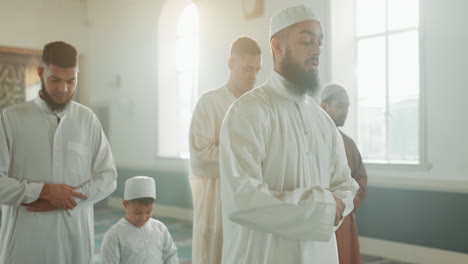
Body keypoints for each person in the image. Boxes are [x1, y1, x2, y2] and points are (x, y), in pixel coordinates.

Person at [218, 5, 359, 264]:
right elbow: (241, 197)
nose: (316, 49)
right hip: (263, 255)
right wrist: (322, 208)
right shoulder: (247, 111)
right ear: (278, 46)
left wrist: (335, 207)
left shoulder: (323, 121)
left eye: (320, 42)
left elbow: (346, 184)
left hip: (320, 254)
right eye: (306, 40)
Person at [0, 41, 117, 263]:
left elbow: (108, 178)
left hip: (74, 238)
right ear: (41, 73)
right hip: (25, 241)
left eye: (71, 81)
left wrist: (66, 200)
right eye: (55, 80)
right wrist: (42, 191)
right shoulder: (10, 119)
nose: (63, 89)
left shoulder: (87, 120)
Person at [189, 36, 262, 264]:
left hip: (255, 205)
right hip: (217, 207)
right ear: (231, 64)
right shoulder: (209, 103)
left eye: (257, 70)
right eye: (247, 69)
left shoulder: (260, 106)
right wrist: (246, 156)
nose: (253, 76)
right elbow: (200, 158)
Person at [320, 83, 368, 264]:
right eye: (340, 106)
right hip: (320, 218)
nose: (346, 111)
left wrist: (346, 204)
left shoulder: (348, 144)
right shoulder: (307, 140)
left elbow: (360, 178)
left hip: (344, 220)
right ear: (324, 106)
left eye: (347, 106)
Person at [101, 176, 179, 264]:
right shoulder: (114, 235)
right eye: (137, 212)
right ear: (125, 204)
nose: (143, 218)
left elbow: (170, 255)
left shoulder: (160, 228)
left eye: (148, 212)